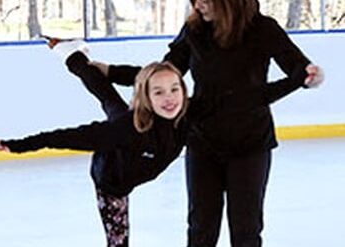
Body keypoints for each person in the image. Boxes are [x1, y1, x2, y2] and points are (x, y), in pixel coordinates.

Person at [88, 0, 324, 247]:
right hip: (203, 142)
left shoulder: (263, 29)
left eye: (205, 0)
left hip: (250, 145)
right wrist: (111, 72)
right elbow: (162, 74)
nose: (198, 5)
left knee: (246, 230)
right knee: (201, 228)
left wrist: (308, 74)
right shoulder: (195, 31)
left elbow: (298, 67)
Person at [0, 49, 189, 247]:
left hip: (131, 140)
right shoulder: (126, 130)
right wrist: (15, 146)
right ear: (145, 96)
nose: (170, 98)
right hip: (111, 178)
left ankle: (72, 54)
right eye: (158, 92)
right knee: (117, 241)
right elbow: (64, 137)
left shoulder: (188, 115)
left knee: (109, 99)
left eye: (175, 89)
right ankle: (73, 57)